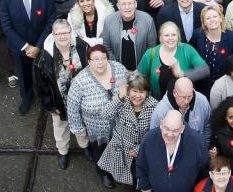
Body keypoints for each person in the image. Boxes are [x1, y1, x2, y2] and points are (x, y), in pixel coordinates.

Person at [67, 44, 131, 188]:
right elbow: (72, 108)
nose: (100, 62)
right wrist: (79, 130)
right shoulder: (80, 82)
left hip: (121, 124)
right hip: (97, 129)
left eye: (103, 58)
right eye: (95, 59)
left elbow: (130, 87)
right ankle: (104, 172)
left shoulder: (119, 69)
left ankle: (119, 168)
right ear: (88, 61)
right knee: (100, 152)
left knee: (119, 149)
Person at [0, 0, 58, 114]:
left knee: (46, 72)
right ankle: (26, 97)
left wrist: (38, 46)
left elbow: (51, 21)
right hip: (20, 46)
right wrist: (26, 47)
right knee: (23, 73)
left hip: (42, 42)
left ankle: (48, 97)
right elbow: (6, 26)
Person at [33, 19, 82, 170]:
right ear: (53, 35)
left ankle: (85, 146)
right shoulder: (44, 57)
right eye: (58, 33)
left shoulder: (81, 47)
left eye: (65, 32)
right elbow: (41, 86)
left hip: (81, 101)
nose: (62, 36)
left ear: (70, 32)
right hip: (59, 102)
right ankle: (63, 151)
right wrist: (50, 105)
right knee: (60, 127)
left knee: (83, 126)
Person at [97, 73, 159, 187]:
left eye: (141, 92)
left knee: (139, 175)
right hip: (121, 146)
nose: (137, 95)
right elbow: (104, 114)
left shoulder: (155, 106)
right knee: (124, 171)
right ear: (128, 91)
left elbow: (156, 133)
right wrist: (120, 97)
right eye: (134, 91)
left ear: (147, 93)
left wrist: (139, 148)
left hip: (142, 149)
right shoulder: (122, 101)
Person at [136, 109, 210, 192]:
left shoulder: (197, 142)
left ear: (182, 128)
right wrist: (145, 188)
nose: (170, 134)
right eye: (167, 129)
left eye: (175, 130)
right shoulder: (149, 139)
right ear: (161, 124)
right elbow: (141, 166)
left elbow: (204, 170)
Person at [138, 21, 209, 100]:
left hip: (185, 103)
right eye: (166, 35)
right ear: (160, 38)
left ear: (178, 36)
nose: (170, 38)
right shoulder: (151, 54)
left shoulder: (187, 50)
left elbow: (205, 70)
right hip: (158, 103)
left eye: (174, 35)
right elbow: (139, 78)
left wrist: (182, 74)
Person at [101, 0, 158, 71]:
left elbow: (152, 48)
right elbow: (106, 48)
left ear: (135, 4)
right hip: (117, 71)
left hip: (142, 71)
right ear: (118, 6)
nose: (127, 7)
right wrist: (117, 68)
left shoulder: (147, 20)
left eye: (130, 3)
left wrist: (141, 68)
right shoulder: (109, 21)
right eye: (123, 4)